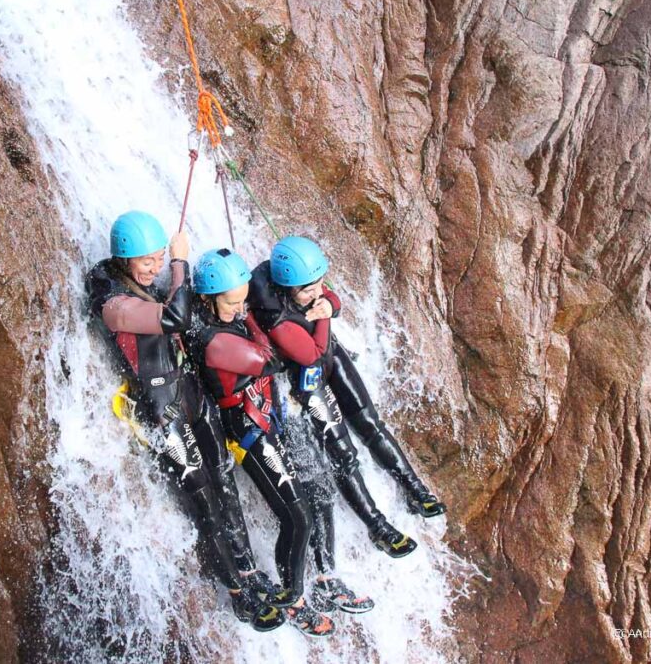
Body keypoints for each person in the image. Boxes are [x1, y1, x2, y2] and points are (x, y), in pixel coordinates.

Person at [86, 211, 283, 632]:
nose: (154, 266)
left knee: (224, 480)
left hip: (190, 393)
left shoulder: (139, 282)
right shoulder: (115, 303)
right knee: (203, 498)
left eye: (158, 258)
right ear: (123, 258)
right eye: (147, 261)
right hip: (161, 410)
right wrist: (180, 263)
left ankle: (247, 570)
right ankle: (234, 590)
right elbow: (173, 318)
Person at [189, 248, 375, 636]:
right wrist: (278, 320)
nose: (241, 309)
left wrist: (282, 314)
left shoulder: (230, 317)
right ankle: (293, 599)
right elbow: (270, 358)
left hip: (269, 416)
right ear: (208, 300)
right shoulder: (213, 340)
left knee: (317, 494)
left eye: (244, 300)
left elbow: (270, 334)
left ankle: (321, 581)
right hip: (247, 429)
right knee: (297, 516)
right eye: (232, 303)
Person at [249, 236, 447, 553]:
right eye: (307, 289)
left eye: (318, 283)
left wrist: (330, 303)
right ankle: (377, 527)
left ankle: (415, 490)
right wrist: (326, 312)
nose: (316, 292)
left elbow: (329, 298)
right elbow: (311, 354)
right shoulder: (275, 316)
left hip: (329, 354)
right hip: (303, 377)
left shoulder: (300, 285)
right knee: (344, 455)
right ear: (288, 288)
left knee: (370, 423)